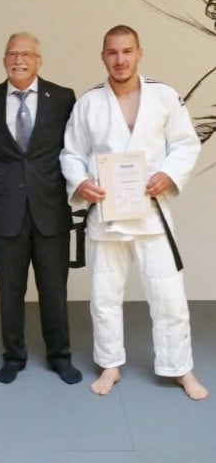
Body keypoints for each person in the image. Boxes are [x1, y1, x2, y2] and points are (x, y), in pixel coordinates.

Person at [60, 24, 209, 400]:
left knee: (169, 296)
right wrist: (81, 183)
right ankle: (110, 364)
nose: (120, 59)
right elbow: (71, 153)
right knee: (104, 297)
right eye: (112, 52)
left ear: (139, 53)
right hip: (107, 215)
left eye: (127, 51)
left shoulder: (164, 95)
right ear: (103, 56)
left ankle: (180, 367)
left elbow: (186, 144)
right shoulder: (89, 102)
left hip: (150, 214)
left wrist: (168, 174)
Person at [0, 32, 82, 385]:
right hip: (4, 211)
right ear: (4, 60)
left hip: (50, 209)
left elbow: (75, 148)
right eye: (12, 54)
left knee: (54, 289)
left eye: (27, 54)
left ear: (39, 60)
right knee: (10, 291)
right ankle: (13, 356)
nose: (19, 60)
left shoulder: (63, 98)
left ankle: (60, 356)